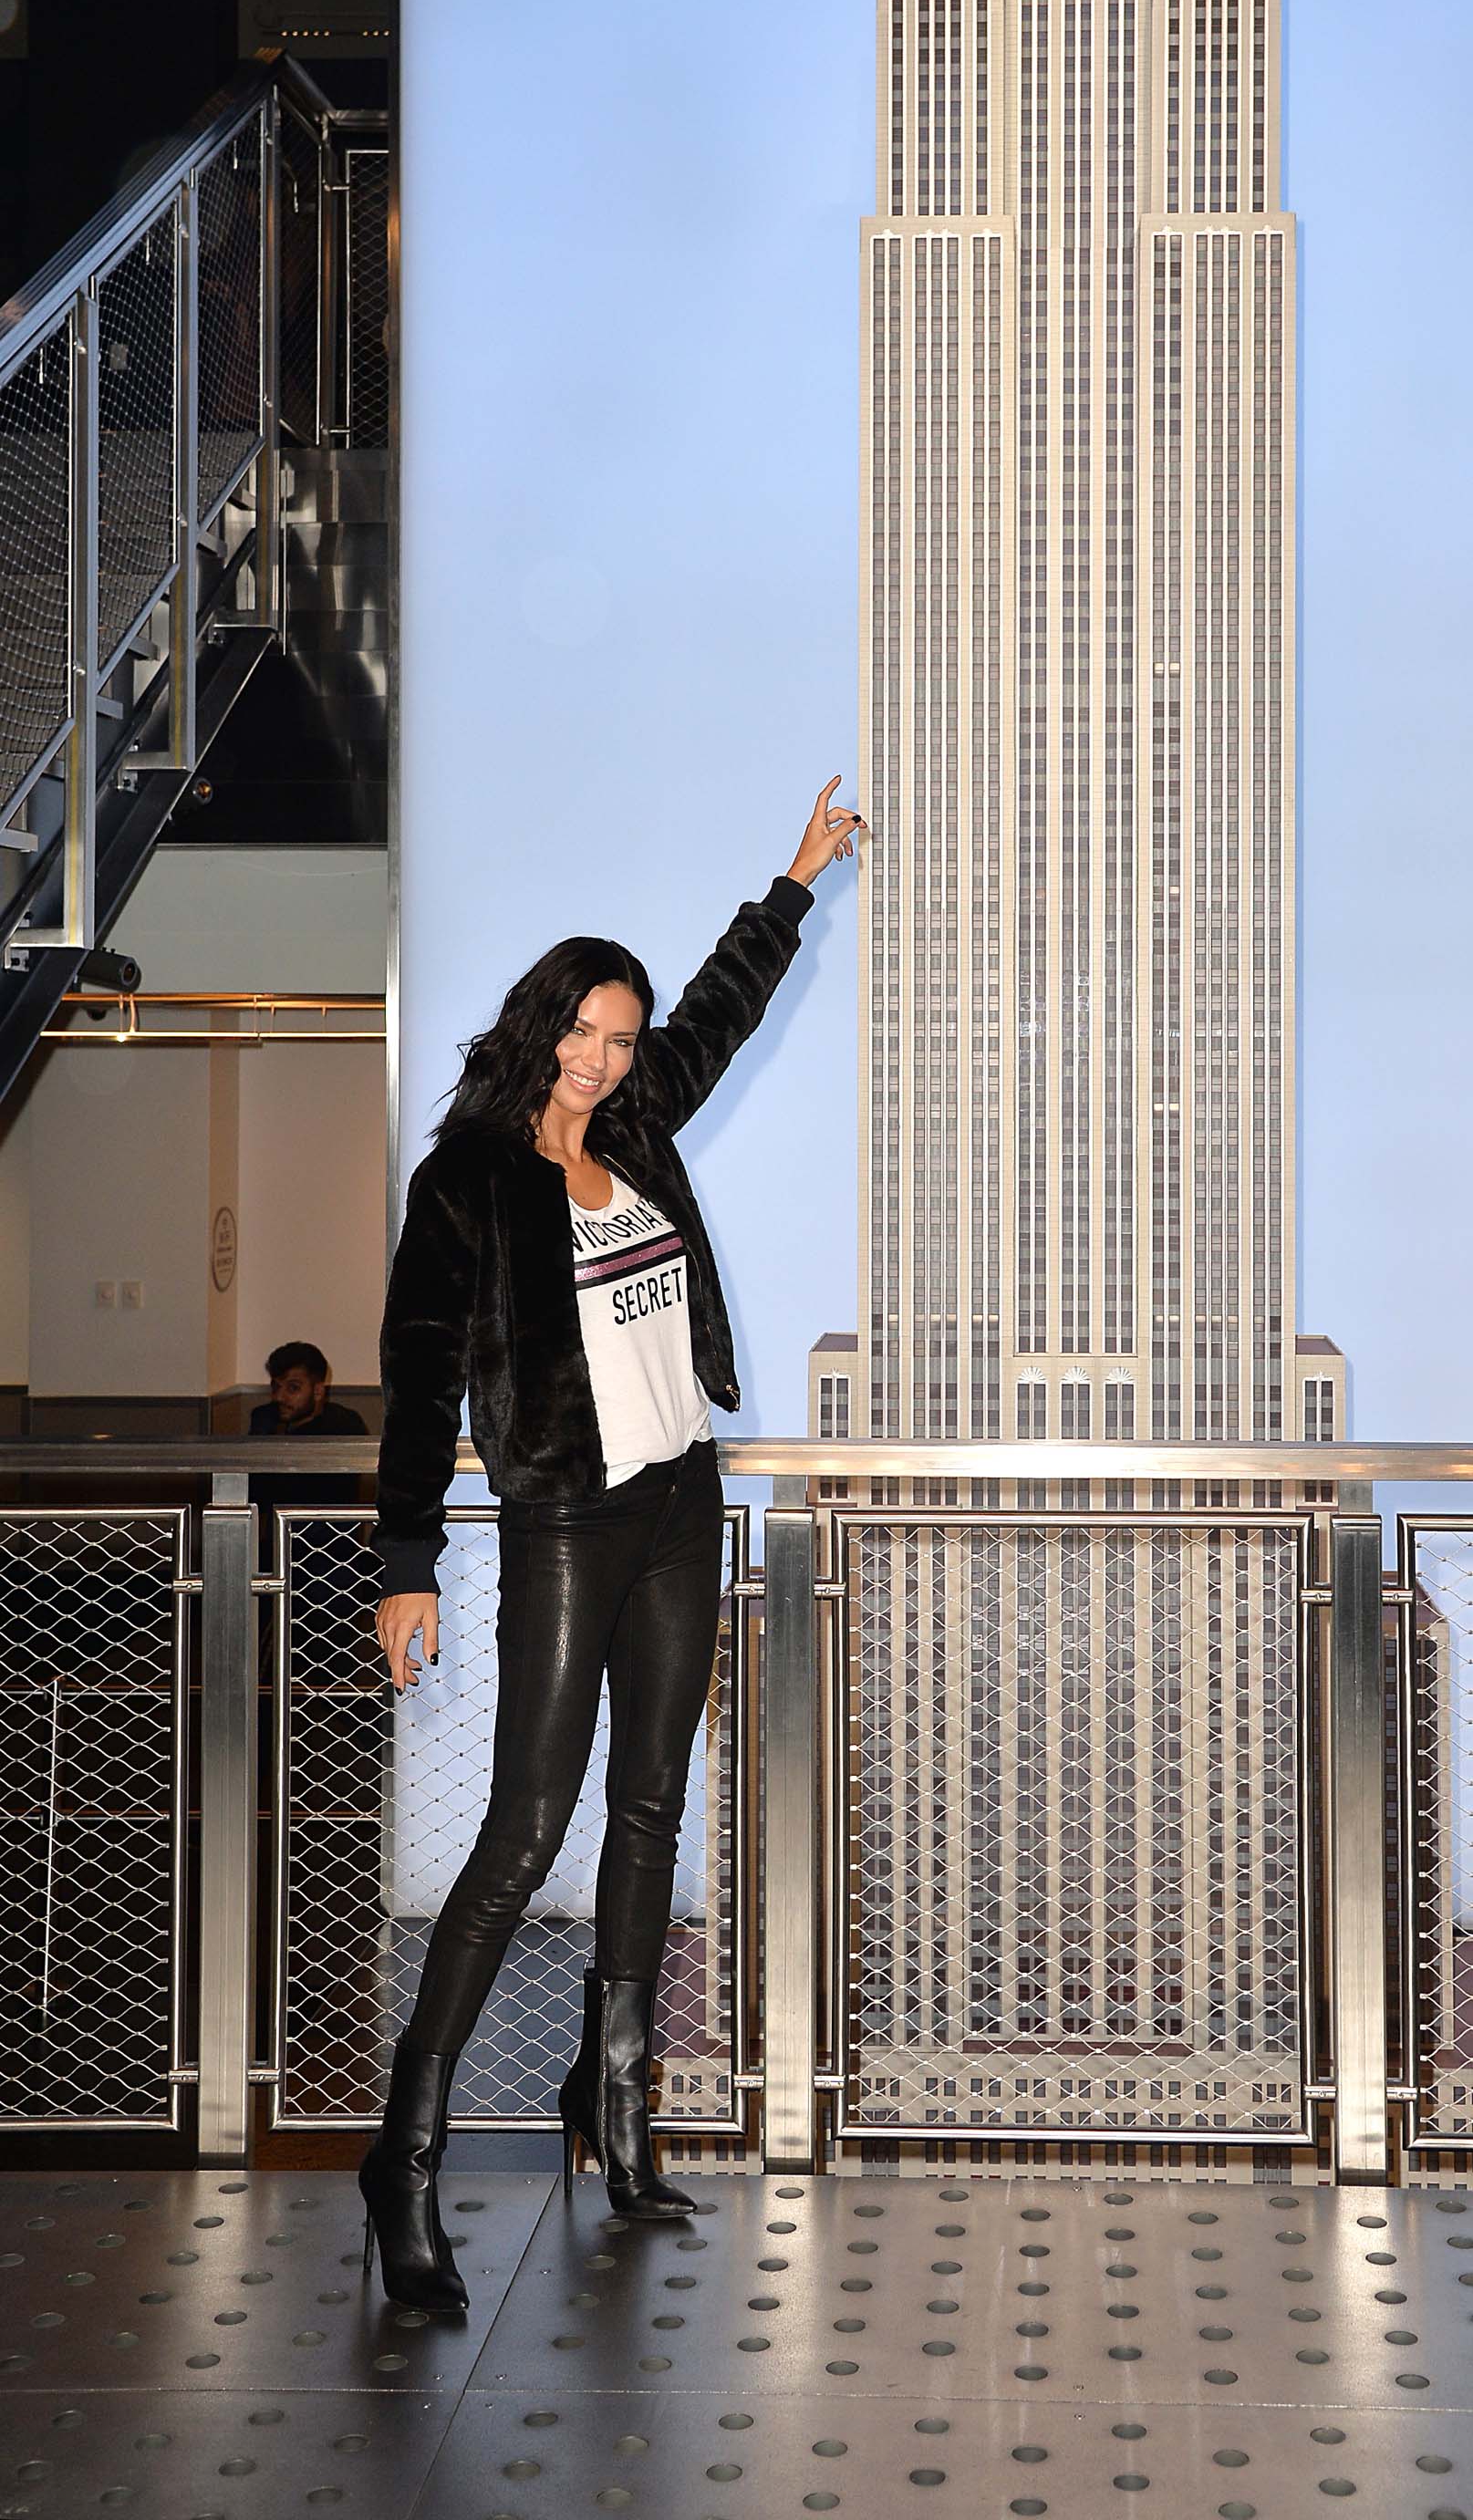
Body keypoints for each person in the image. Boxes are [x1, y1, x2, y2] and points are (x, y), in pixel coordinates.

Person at [356, 775, 859, 2311]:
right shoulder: (468, 1182)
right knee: (526, 1825)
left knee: (650, 1806)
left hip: (679, 1497)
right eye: (581, 1030)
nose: (601, 1057)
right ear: (536, 1027)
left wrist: (789, 886)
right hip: (567, 1517)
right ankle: (407, 2152)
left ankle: (615, 2107)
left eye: (618, 1037)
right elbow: (419, 1370)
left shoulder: (638, 1132)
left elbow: (720, 1018)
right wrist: (401, 1559)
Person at [248, 1343, 368, 1510]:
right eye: (276, 1387)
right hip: (275, 1532)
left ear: (318, 1391)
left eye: (293, 1388)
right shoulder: (265, 1419)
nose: (279, 1397)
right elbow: (254, 1491)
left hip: (326, 1532)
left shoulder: (342, 1426)